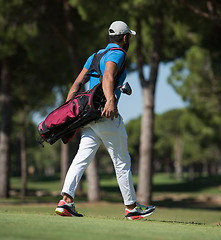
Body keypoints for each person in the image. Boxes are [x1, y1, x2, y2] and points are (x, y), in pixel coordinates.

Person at [55, 21, 156, 220]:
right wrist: (110, 101)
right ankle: (131, 208)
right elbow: (108, 76)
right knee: (122, 162)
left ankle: (66, 201)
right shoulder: (118, 53)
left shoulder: (95, 55)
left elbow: (76, 85)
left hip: (89, 118)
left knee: (80, 159)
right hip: (106, 116)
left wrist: (67, 112)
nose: (130, 40)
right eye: (130, 37)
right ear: (125, 38)